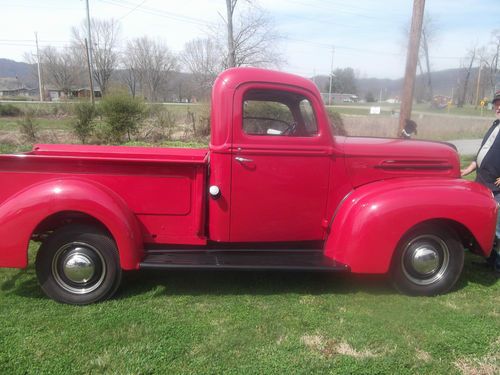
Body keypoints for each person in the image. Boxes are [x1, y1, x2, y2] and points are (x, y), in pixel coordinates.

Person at [461, 90, 500, 274]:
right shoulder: (495, 125)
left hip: (496, 187)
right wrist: (468, 170)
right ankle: (491, 260)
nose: (498, 107)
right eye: (497, 103)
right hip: (483, 182)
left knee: (498, 227)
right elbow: (483, 151)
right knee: (486, 223)